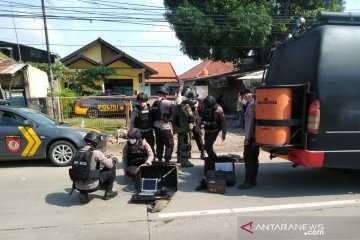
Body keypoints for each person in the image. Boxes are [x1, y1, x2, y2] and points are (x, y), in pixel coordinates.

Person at [72, 131, 118, 204]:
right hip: (92, 186)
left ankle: (83, 193)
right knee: (112, 166)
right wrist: (110, 159)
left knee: (83, 171)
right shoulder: (96, 153)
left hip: (77, 185)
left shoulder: (77, 151)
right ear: (95, 143)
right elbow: (109, 165)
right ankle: (109, 192)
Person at [151, 85, 183, 162]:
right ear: (165, 94)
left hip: (156, 126)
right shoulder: (164, 102)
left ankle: (159, 159)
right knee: (169, 144)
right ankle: (167, 161)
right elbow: (177, 102)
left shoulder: (155, 103)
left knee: (159, 143)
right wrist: (179, 92)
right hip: (164, 127)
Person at [238, 91, 260, 189]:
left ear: (247, 95)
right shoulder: (253, 103)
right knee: (254, 158)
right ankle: (253, 180)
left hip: (251, 138)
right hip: (255, 137)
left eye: (242, 97)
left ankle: (248, 181)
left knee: (248, 159)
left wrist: (247, 137)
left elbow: (250, 122)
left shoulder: (252, 105)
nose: (242, 99)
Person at [172, 86, 196, 167]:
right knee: (185, 144)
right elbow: (189, 115)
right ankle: (185, 162)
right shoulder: (184, 102)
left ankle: (179, 158)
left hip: (179, 126)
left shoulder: (177, 100)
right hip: (184, 126)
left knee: (180, 142)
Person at [202, 95, 227, 160]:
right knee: (208, 146)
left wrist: (224, 133)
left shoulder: (219, 109)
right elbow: (202, 117)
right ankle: (212, 159)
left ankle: (215, 160)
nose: (208, 108)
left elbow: (223, 121)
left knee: (207, 146)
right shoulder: (205, 106)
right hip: (207, 129)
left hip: (215, 129)